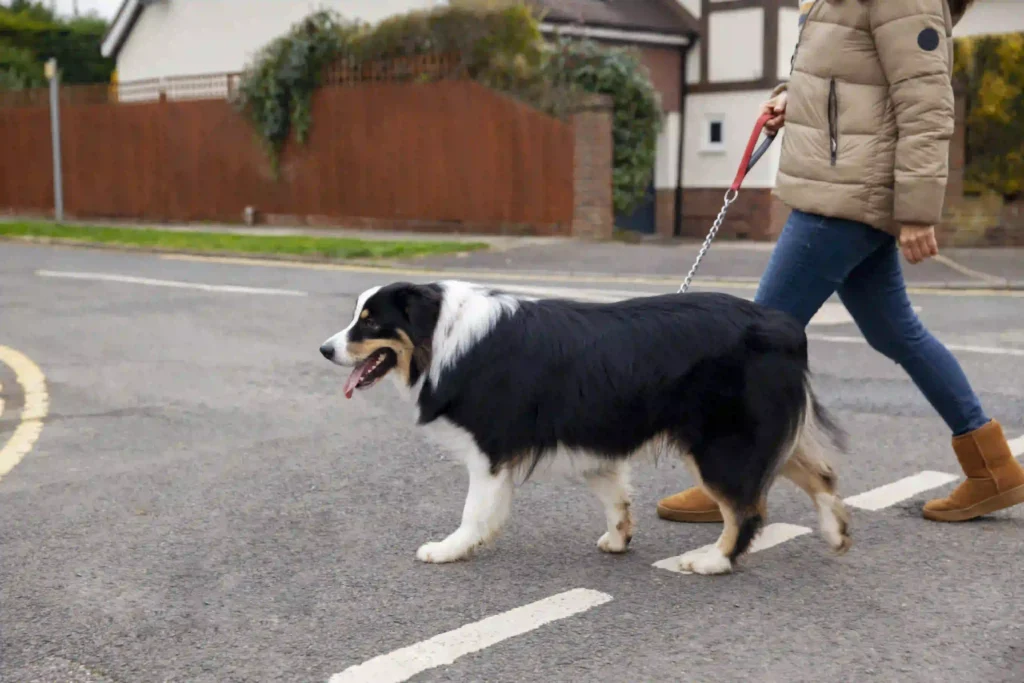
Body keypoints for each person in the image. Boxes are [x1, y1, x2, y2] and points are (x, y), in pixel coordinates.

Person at [658, 0, 1024, 524]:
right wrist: (792, 100)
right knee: (896, 334)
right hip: (846, 188)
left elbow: (926, 103)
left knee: (756, 338)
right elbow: (844, 81)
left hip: (844, 199)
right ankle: (992, 468)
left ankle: (736, 479)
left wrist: (918, 212)